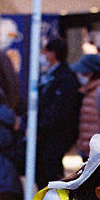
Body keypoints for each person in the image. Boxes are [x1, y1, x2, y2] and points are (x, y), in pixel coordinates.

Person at [35, 37, 81, 189]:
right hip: (46, 134)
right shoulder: (48, 76)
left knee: (51, 171)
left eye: (45, 51)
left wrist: (40, 127)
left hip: (56, 134)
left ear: (53, 53)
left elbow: (60, 110)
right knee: (42, 171)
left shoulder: (65, 78)